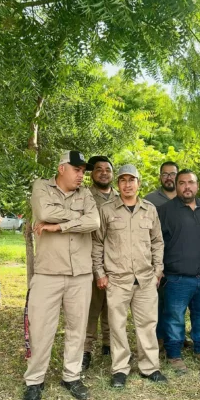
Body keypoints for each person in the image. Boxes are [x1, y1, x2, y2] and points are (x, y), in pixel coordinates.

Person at [21, 151, 100, 400]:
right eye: (76, 169)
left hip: (80, 274)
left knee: (77, 328)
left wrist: (58, 225)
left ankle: (71, 376)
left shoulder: (86, 194)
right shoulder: (41, 186)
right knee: (41, 328)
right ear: (61, 168)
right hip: (48, 273)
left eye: (83, 171)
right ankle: (34, 382)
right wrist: (76, 218)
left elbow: (94, 221)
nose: (81, 175)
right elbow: (44, 210)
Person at [91, 164, 168, 388]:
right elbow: (97, 243)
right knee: (117, 325)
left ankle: (150, 367)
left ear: (138, 183)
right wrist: (99, 272)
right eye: (123, 180)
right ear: (118, 184)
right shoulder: (106, 210)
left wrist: (157, 271)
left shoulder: (149, 209)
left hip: (145, 280)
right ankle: (120, 369)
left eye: (131, 180)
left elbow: (157, 242)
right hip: (117, 279)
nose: (127, 184)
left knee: (147, 324)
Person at [158, 170, 200, 374]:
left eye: (191, 182)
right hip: (177, 278)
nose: (187, 187)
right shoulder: (165, 211)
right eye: (182, 183)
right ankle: (174, 354)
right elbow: (157, 243)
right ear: (176, 186)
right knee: (174, 317)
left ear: (197, 185)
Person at [83, 155, 115, 370]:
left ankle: (109, 344)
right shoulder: (84, 196)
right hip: (89, 259)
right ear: (91, 174)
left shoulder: (120, 197)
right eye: (98, 169)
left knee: (112, 306)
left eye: (108, 169)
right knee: (91, 307)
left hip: (116, 261)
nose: (104, 172)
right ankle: (85, 349)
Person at [143, 161, 179, 344]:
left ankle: (176, 337)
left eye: (172, 174)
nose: (169, 177)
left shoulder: (187, 197)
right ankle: (158, 340)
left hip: (181, 259)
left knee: (177, 303)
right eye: (165, 174)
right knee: (158, 302)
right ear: (160, 177)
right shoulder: (150, 199)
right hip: (158, 258)